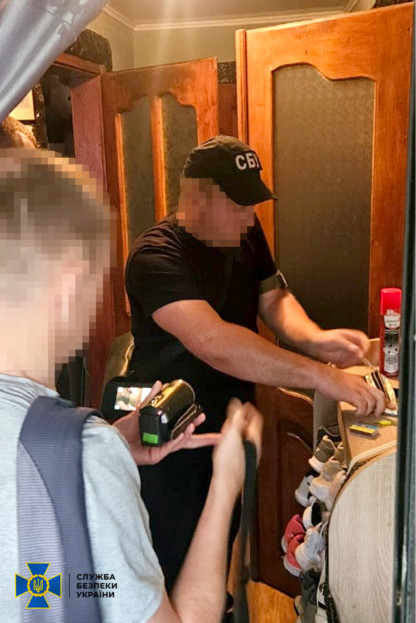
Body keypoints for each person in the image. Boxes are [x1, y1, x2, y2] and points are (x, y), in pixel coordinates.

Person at [0, 147, 263, 623]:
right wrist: (227, 482)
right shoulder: (82, 459)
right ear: (68, 281)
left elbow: (39, 585)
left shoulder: (83, 452)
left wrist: (115, 443)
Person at [125, 135, 387, 593]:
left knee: (218, 540)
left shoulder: (243, 230)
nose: (250, 217)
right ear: (197, 197)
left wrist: (317, 339)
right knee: (169, 555)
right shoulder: (155, 257)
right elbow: (215, 342)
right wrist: (322, 376)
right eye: (239, 205)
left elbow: (274, 297)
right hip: (164, 433)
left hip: (226, 418)